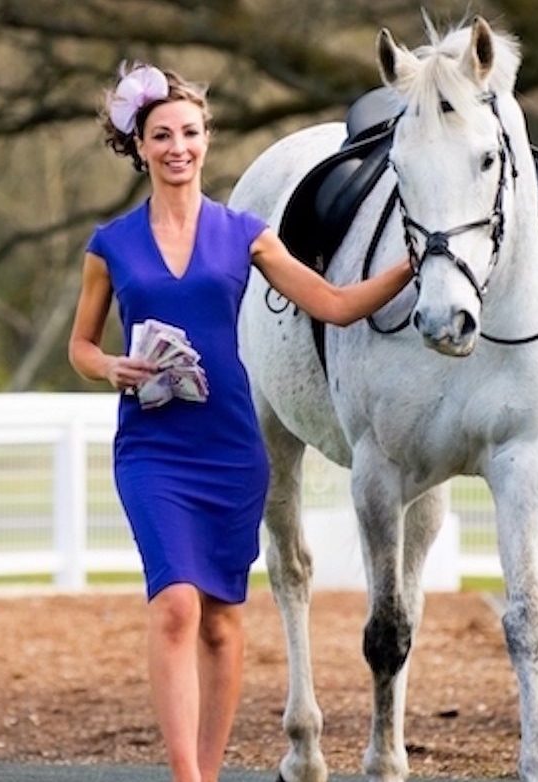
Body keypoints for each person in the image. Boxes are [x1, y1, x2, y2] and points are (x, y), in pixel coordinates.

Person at [68, 62, 413, 782]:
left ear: (205, 140)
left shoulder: (245, 235)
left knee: (223, 624)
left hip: (231, 448)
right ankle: (185, 778)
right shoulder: (110, 245)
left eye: (190, 133)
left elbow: (334, 303)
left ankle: (210, 772)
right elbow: (80, 345)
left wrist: (418, 264)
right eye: (161, 135)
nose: (178, 147)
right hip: (153, 450)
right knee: (173, 607)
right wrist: (109, 368)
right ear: (139, 145)